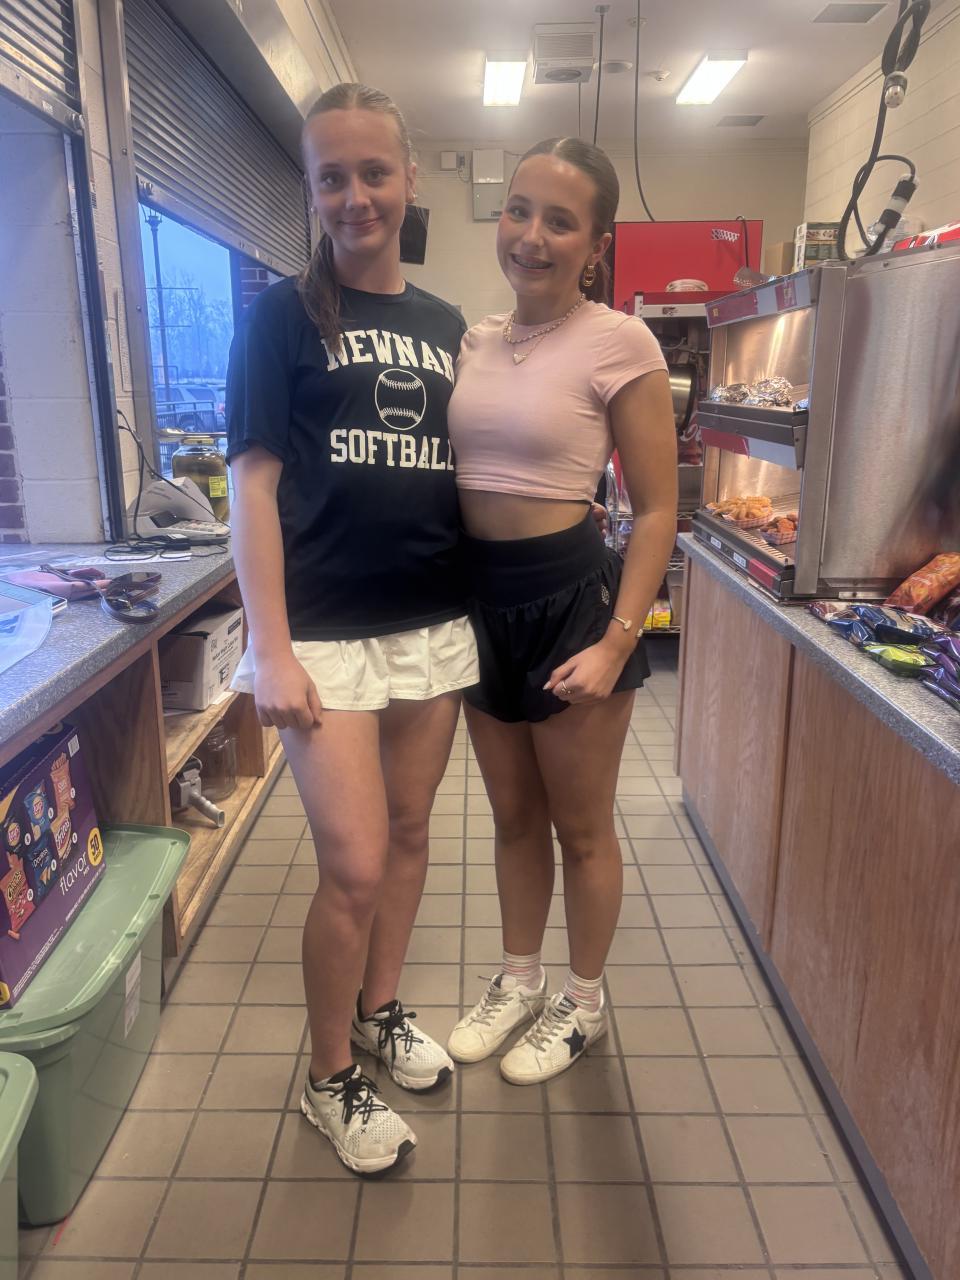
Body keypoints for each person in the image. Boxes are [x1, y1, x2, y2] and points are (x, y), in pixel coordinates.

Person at [225, 82, 479, 1175]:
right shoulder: (280, 318)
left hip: (433, 622)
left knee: (412, 837)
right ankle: (327, 1077)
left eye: (375, 172)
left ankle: (380, 1011)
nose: (356, 195)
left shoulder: (448, 326)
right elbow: (251, 490)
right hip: (325, 638)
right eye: (332, 177)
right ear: (311, 188)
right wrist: (268, 645)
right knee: (357, 866)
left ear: (411, 178)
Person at [445, 137, 678, 1084]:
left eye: (560, 221)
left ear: (596, 244)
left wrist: (618, 643)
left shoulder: (622, 342)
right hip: (482, 603)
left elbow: (657, 510)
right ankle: (519, 980)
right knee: (511, 819)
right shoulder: (475, 340)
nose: (531, 236)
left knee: (580, 827)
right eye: (519, 210)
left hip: (574, 604)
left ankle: (583, 1003)